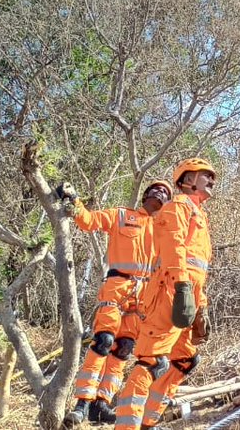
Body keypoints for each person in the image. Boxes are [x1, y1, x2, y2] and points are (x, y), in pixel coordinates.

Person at [114, 159, 216, 430]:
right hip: (168, 293)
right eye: (206, 175)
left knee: (184, 360)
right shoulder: (177, 207)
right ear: (187, 180)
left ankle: (147, 422)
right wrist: (183, 289)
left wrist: (200, 306)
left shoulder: (200, 215)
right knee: (151, 361)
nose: (212, 180)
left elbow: (198, 269)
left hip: (188, 295)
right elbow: (174, 249)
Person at [62, 180, 170, 426]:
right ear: (145, 195)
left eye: (165, 192)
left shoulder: (165, 231)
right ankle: (82, 403)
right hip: (117, 286)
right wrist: (73, 199)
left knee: (123, 348)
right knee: (104, 341)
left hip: (143, 296)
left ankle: (101, 404)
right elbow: (88, 221)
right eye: (156, 189)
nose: (160, 193)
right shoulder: (122, 216)